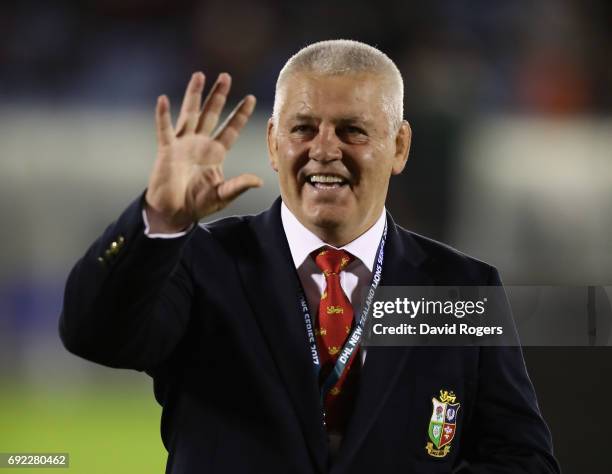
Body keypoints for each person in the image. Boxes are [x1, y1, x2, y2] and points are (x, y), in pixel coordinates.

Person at [60, 40, 560, 473]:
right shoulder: (200, 262)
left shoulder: (461, 289)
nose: (324, 150)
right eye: (303, 128)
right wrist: (160, 220)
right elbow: (95, 335)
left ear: (400, 146)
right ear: (274, 144)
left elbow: (523, 459)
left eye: (352, 130)